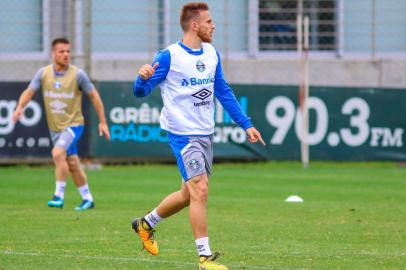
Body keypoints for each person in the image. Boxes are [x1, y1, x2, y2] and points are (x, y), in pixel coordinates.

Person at [131, 2, 265, 269]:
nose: (213, 25)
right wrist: (142, 77)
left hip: (205, 134)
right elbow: (140, 92)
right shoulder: (168, 57)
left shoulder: (212, 53)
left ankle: (145, 224)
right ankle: (205, 258)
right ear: (195, 25)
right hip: (182, 135)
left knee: (187, 195)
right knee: (200, 189)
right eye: (208, 22)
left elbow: (223, 91)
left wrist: (245, 123)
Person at [12, 38, 110, 211]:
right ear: (53, 54)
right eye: (61, 51)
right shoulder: (43, 73)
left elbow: (94, 96)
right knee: (72, 163)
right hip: (55, 128)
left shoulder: (78, 74)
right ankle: (87, 198)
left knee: (57, 153)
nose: (66, 55)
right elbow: (29, 91)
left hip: (74, 125)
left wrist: (103, 122)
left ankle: (58, 196)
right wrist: (19, 107)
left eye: (68, 51)